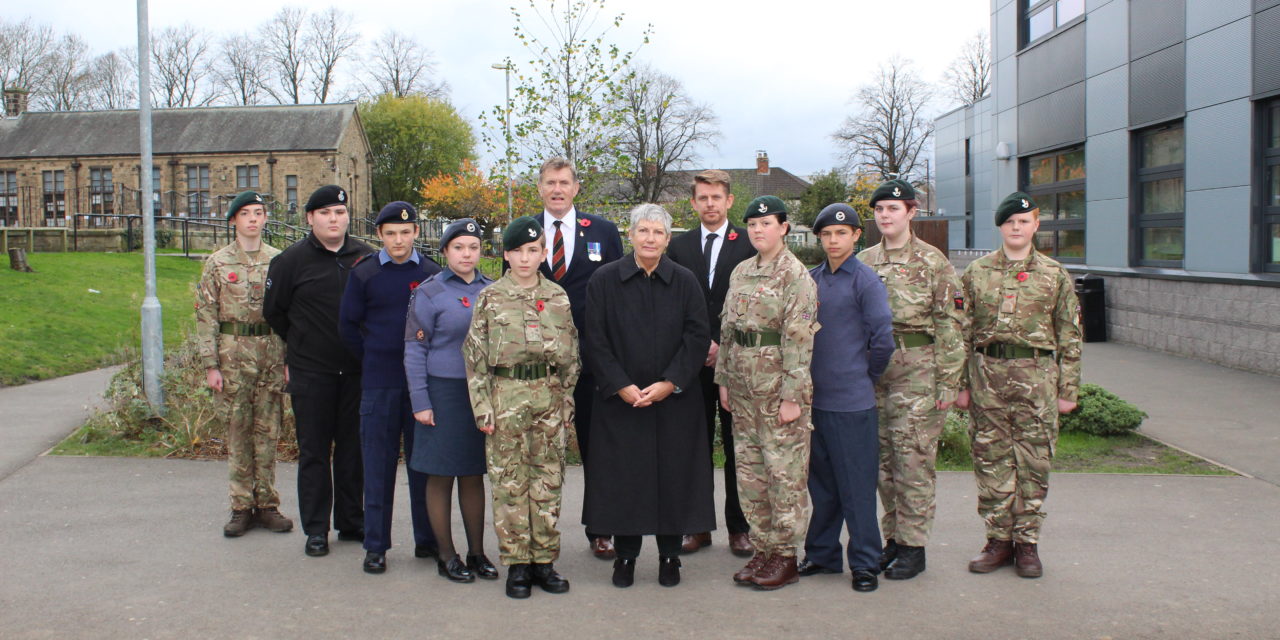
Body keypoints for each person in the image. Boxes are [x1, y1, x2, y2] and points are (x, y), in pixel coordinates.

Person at [583, 204, 714, 589]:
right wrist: (621, 385)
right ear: (631, 235)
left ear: (668, 239)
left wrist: (670, 382)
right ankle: (625, 557)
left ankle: (670, 557)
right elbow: (595, 339)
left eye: (658, 232)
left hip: (673, 400)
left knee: (673, 480)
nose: (651, 238)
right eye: (644, 231)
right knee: (626, 480)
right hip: (620, 401)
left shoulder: (686, 281)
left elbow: (696, 336)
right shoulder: (604, 280)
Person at [956, 192, 1081, 579]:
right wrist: (959, 384)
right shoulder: (976, 273)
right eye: (1010, 221)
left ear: (1035, 225)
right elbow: (961, 332)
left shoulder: (1054, 274)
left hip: (1037, 378)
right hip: (988, 375)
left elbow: (1070, 335)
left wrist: (1068, 390)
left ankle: (1027, 543)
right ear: (1000, 226)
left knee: (1034, 460)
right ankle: (997, 540)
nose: (1016, 227)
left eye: (1023, 221)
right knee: (990, 459)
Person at [463, 216, 580, 599]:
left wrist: (565, 401)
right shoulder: (490, 298)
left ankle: (544, 561)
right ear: (506, 254)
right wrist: (483, 407)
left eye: (533, 251)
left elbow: (571, 355)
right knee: (509, 484)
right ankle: (516, 563)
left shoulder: (558, 297)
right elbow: (475, 359)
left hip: (548, 399)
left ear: (544, 253)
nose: (526, 258)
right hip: (506, 398)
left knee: (547, 482)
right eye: (518, 251)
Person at [856, 179, 967, 580]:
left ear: (911, 212)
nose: (885, 216)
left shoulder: (933, 262)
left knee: (913, 462)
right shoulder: (864, 261)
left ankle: (914, 546)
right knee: (882, 463)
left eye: (893, 209)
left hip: (918, 371)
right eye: (880, 209)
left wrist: (949, 383)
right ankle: (893, 540)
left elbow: (951, 325)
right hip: (873, 374)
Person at [263, 184, 373, 558]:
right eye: (325, 213)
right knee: (313, 452)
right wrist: (302, 345)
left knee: (352, 451)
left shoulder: (365, 257)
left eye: (340, 213)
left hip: (356, 373)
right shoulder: (291, 261)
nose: (333, 219)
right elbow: (274, 312)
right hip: (312, 373)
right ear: (310, 218)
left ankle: (351, 520)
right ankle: (316, 529)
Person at [716, 195, 819, 591]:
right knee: (751, 474)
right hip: (742, 391)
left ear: (784, 227)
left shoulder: (796, 276)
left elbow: (799, 341)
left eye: (767, 224)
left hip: (778, 393)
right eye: (753, 225)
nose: (758, 230)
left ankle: (787, 555)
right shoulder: (741, 271)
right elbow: (728, 332)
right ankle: (763, 549)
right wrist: (723, 380)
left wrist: (793, 396)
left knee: (784, 475)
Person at [796, 203, 895, 593]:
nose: (834, 240)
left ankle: (866, 563)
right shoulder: (811, 278)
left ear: (856, 236)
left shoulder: (865, 281)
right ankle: (821, 554)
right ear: (820, 238)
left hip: (852, 404)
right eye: (827, 234)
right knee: (822, 487)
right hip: (815, 400)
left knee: (856, 487)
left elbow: (883, 339)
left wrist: (864, 375)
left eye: (842, 233)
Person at [338, 202, 441, 574]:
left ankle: (427, 539)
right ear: (379, 235)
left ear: (416, 233)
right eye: (391, 233)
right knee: (378, 466)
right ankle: (376, 545)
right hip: (379, 382)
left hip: (421, 386)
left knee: (422, 466)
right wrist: (371, 359)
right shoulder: (364, 274)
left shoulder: (432, 274)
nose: (399, 240)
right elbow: (348, 326)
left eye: (406, 232)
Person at [533, 157, 624, 560]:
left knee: (597, 448)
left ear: (575, 188)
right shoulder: (527, 233)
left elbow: (622, 295)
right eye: (550, 182)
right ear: (540, 188)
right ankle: (538, 533)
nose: (557, 189)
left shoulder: (602, 232)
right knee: (540, 451)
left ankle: (601, 528)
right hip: (539, 361)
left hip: (593, 360)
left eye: (564, 182)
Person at [665, 169, 756, 557]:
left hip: (735, 363)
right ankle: (697, 526)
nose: (710, 204)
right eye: (702, 198)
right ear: (693, 203)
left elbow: (754, 304)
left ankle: (740, 527)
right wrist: (698, 345)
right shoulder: (679, 246)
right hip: (692, 362)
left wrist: (724, 345)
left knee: (739, 447)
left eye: (716, 197)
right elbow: (673, 306)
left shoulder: (749, 243)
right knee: (693, 446)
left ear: (729, 201)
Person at [194, 190, 293, 538]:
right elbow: (205, 314)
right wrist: (211, 365)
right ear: (233, 220)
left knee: (268, 432)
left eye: (259, 213)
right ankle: (240, 507)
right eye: (246, 213)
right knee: (238, 434)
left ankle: (267, 505)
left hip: (269, 354)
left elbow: (290, 314)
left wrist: (288, 360)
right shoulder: (217, 262)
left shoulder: (279, 260)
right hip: (232, 357)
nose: (253, 218)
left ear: (265, 219)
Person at [404, 218, 497, 583]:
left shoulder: (492, 290)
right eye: (458, 247)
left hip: (479, 395)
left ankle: (477, 552)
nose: (467, 254)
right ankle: (446, 554)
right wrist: (420, 401)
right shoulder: (429, 292)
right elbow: (414, 348)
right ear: (445, 252)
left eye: (473, 247)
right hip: (442, 391)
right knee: (441, 475)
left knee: (473, 474)